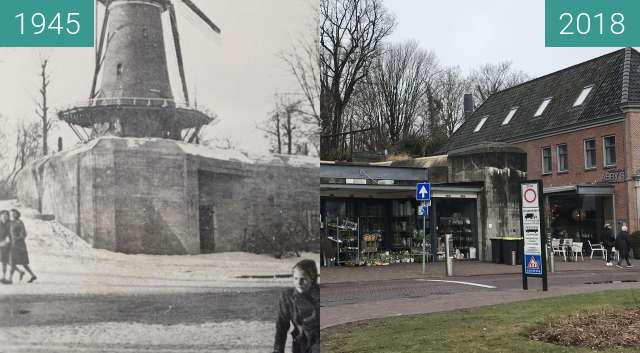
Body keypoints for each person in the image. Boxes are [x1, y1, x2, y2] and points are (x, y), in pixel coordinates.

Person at [272, 259, 320, 353]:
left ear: (312, 278)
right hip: (300, 344)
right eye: (296, 278)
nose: (299, 283)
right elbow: (281, 328)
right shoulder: (288, 297)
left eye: (303, 279)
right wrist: (277, 350)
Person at [7, 209, 36, 283]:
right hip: (12, 245)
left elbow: (24, 234)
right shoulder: (11, 222)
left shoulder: (20, 223)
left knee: (23, 263)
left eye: (14, 214)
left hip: (20, 246)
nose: (13, 215)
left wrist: (16, 238)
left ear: (18, 214)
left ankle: (12, 278)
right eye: (12, 214)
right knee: (10, 261)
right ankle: (26, 274)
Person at [0, 210, 18, 283]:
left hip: (12, 245)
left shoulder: (11, 223)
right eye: (3, 215)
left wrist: (9, 239)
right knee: (3, 261)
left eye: (6, 215)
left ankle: (10, 278)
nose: (4, 217)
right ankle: (3, 276)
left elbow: (14, 233)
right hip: (2, 245)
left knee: (12, 261)